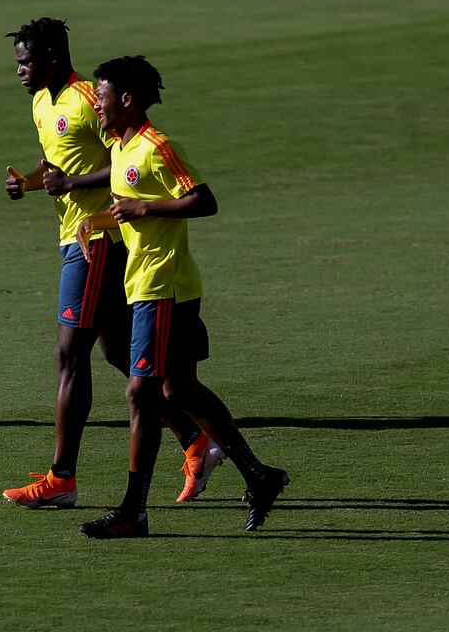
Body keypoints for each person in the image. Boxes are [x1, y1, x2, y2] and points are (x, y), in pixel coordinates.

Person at [0, 18, 225, 508]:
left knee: (68, 351)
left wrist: (76, 188)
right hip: (72, 235)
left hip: (99, 239)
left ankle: (62, 480)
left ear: (55, 56)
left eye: (27, 61)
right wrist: (33, 182)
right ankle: (195, 441)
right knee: (117, 350)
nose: (19, 70)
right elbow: (59, 164)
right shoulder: (41, 101)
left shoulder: (85, 97)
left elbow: (121, 157)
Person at [75, 55, 289, 538]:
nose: (97, 105)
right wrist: (100, 220)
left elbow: (204, 200)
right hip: (146, 285)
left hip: (164, 287)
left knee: (141, 392)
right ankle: (259, 475)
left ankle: (133, 510)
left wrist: (145, 206)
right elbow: (129, 209)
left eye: (102, 97)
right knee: (180, 390)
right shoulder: (121, 146)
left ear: (126, 100)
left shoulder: (158, 147)